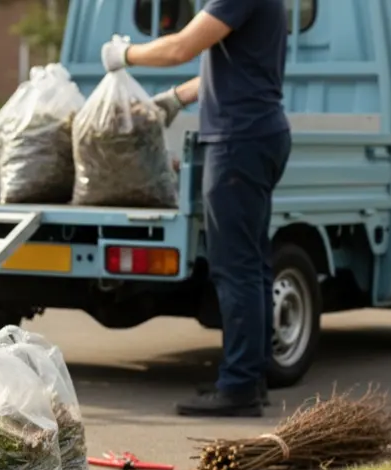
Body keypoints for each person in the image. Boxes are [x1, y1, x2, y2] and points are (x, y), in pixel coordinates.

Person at [102, 0, 291, 418]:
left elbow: (180, 48)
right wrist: (176, 97)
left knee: (235, 267)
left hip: (238, 142)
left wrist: (124, 55)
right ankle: (250, 379)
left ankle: (239, 386)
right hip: (256, 135)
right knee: (254, 265)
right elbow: (230, 68)